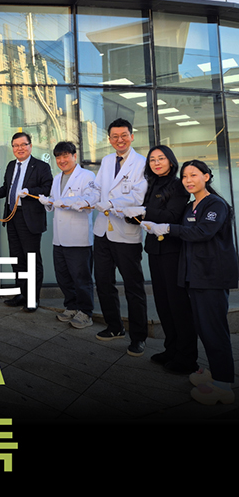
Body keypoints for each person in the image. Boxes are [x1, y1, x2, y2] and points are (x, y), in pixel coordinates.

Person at [142, 160, 238, 405]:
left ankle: (223, 385)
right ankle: (217, 372)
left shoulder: (215, 204)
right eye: (185, 176)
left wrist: (168, 228)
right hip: (193, 276)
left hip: (211, 276)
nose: (188, 180)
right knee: (204, 328)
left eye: (194, 175)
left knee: (214, 329)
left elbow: (203, 232)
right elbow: (181, 231)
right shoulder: (189, 207)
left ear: (206, 176)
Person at [121, 145, 197, 373]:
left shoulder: (178, 185)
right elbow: (147, 214)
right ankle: (171, 349)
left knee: (178, 305)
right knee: (163, 304)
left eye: (161, 158)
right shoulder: (152, 184)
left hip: (172, 250)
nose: (156, 163)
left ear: (171, 162)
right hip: (155, 249)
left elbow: (172, 216)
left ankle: (187, 358)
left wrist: (144, 211)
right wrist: (132, 216)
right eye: (152, 159)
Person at [0, 132, 53, 312]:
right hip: (12, 217)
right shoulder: (11, 165)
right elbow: (6, 188)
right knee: (17, 259)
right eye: (16, 145)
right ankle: (22, 294)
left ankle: (33, 299)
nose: (20, 148)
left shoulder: (41, 166)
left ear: (30, 146)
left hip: (30, 219)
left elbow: (47, 188)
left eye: (23, 144)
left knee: (31, 260)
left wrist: (29, 192)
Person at [93, 118, 148, 357]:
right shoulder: (107, 161)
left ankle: (139, 337)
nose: (120, 140)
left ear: (132, 136)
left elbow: (138, 197)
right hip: (102, 231)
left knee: (133, 287)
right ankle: (114, 326)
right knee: (103, 282)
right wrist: (88, 198)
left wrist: (110, 203)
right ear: (109, 139)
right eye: (115, 136)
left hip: (126, 234)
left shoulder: (142, 163)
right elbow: (97, 187)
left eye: (124, 135)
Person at [38, 141, 97, 328]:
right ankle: (71, 306)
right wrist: (47, 202)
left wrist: (66, 202)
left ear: (74, 156)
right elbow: (55, 202)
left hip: (78, 238)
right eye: (58, 157)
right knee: (63, 276)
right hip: (60, 238)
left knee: (81, 277)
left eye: (65, 156)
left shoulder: (87, 176)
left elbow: (90, 200)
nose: (62, 160)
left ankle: (85, 312)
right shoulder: (57, 178)